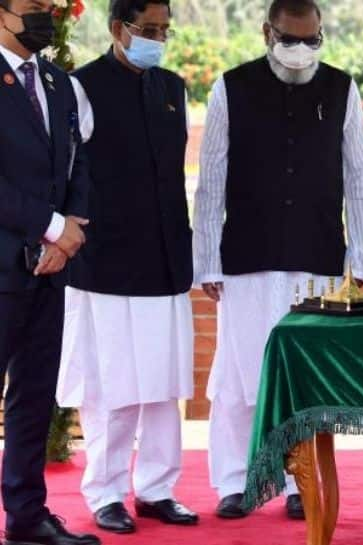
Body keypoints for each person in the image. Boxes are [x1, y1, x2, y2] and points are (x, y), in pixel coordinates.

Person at [193, 0, 363, 520]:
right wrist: (206, 260)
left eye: (312, 41)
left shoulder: (342, 88)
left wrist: (360, 261)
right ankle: (236, 481)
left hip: (316, 257)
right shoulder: (231, 87)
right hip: (246, 255)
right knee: (238, 375)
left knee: (305, 375)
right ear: (266, 32)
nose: (301, 51)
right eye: (291, 39)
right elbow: (211, 179)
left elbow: (361, 177)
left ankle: (302, 483)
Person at [56, 0, 198, 535]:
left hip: (165, 258)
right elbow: (68, 170)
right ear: (118, 28)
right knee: (112, 387)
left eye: (165, 30)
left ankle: (158, 488)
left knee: (164, 385)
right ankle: (107, 492)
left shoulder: (173, 88)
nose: (158, 39)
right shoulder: (82, 86)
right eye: (148, 29)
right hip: (107, 258)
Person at [0, 0, 100, 543]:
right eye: (32, 7)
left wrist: (71, 229)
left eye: (49, 6)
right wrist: (50, 224)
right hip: (4, 265)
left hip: (48, 268)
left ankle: (25, 516)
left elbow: (78, 159)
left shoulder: (61, 84)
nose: (44, 15)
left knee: (34, 397)